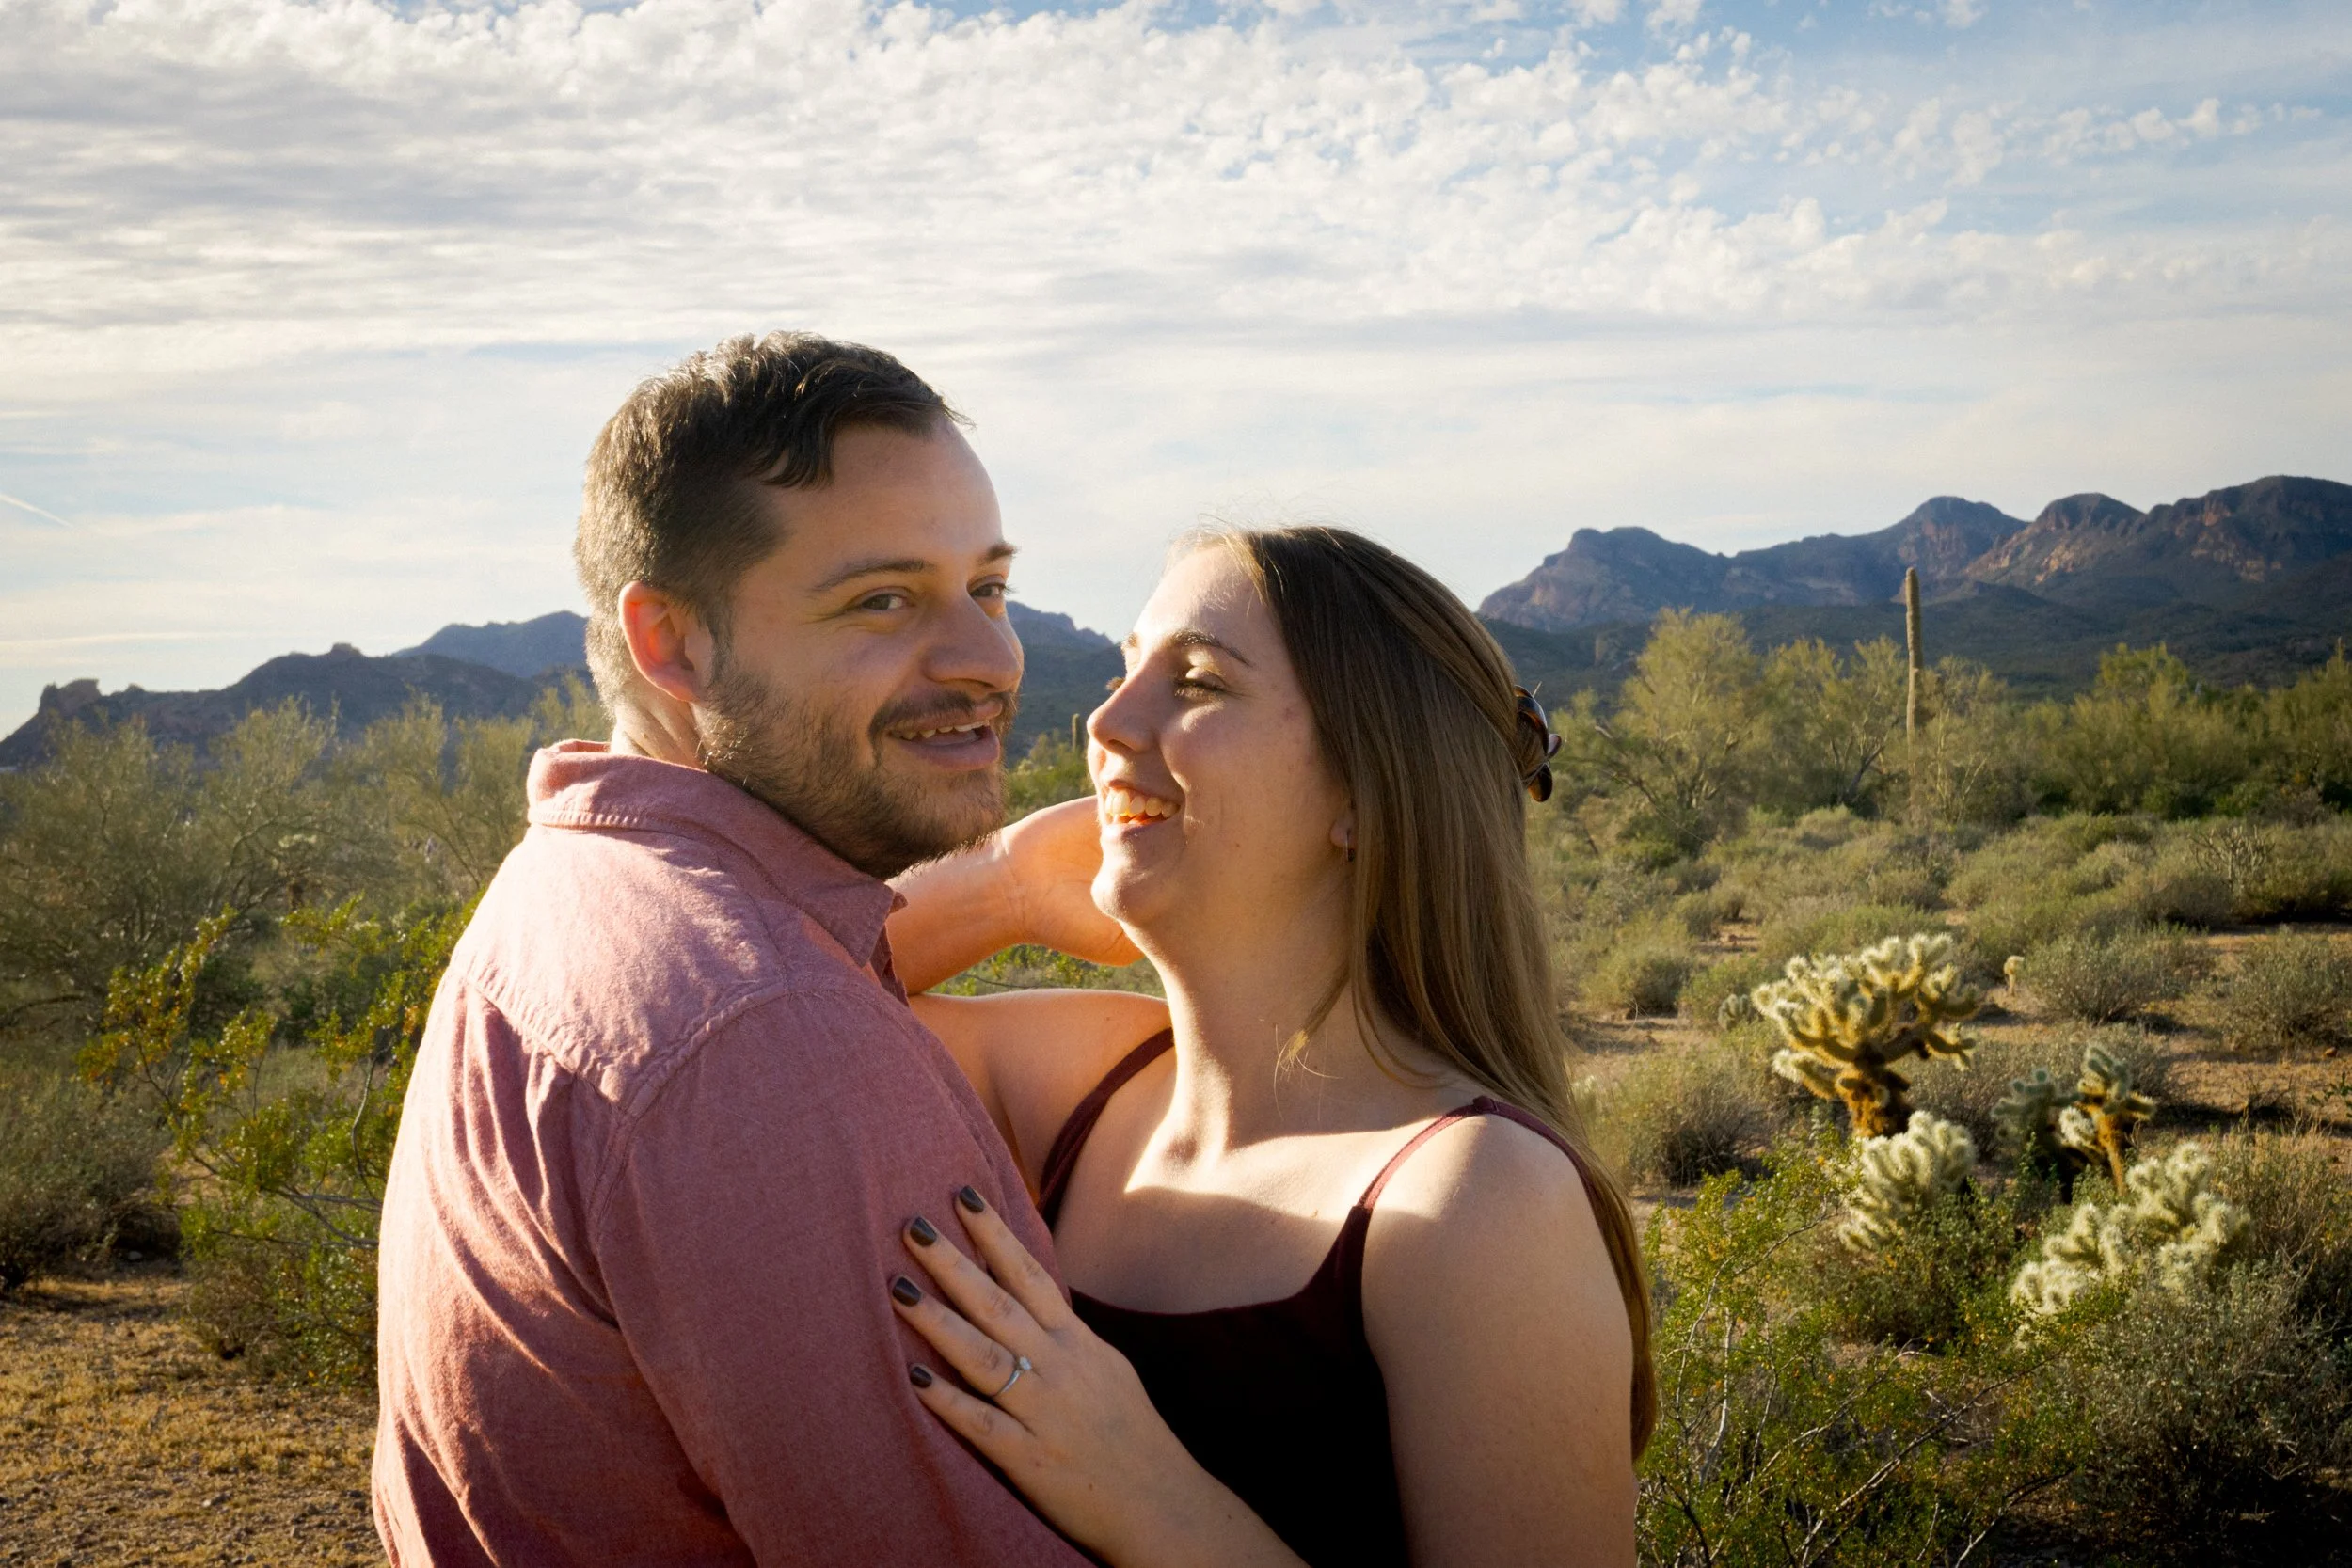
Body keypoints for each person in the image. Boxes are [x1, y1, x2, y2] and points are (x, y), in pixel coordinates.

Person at [372, 331, 1157, 1565]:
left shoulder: (572, 888)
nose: (991, 656)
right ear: (672, 640)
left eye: (988, 586)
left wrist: (1000, 886)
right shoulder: (777, 1044)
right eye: (883, 599)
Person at [883, 525, 1656, 1568]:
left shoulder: (1475, 1200)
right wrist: (1004, 883)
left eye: (1195, 682)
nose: (1106, 719)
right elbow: (750, 1000)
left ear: (1359, 790)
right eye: (1124, 671)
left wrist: (1146, 1492)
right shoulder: (1082, 1086)